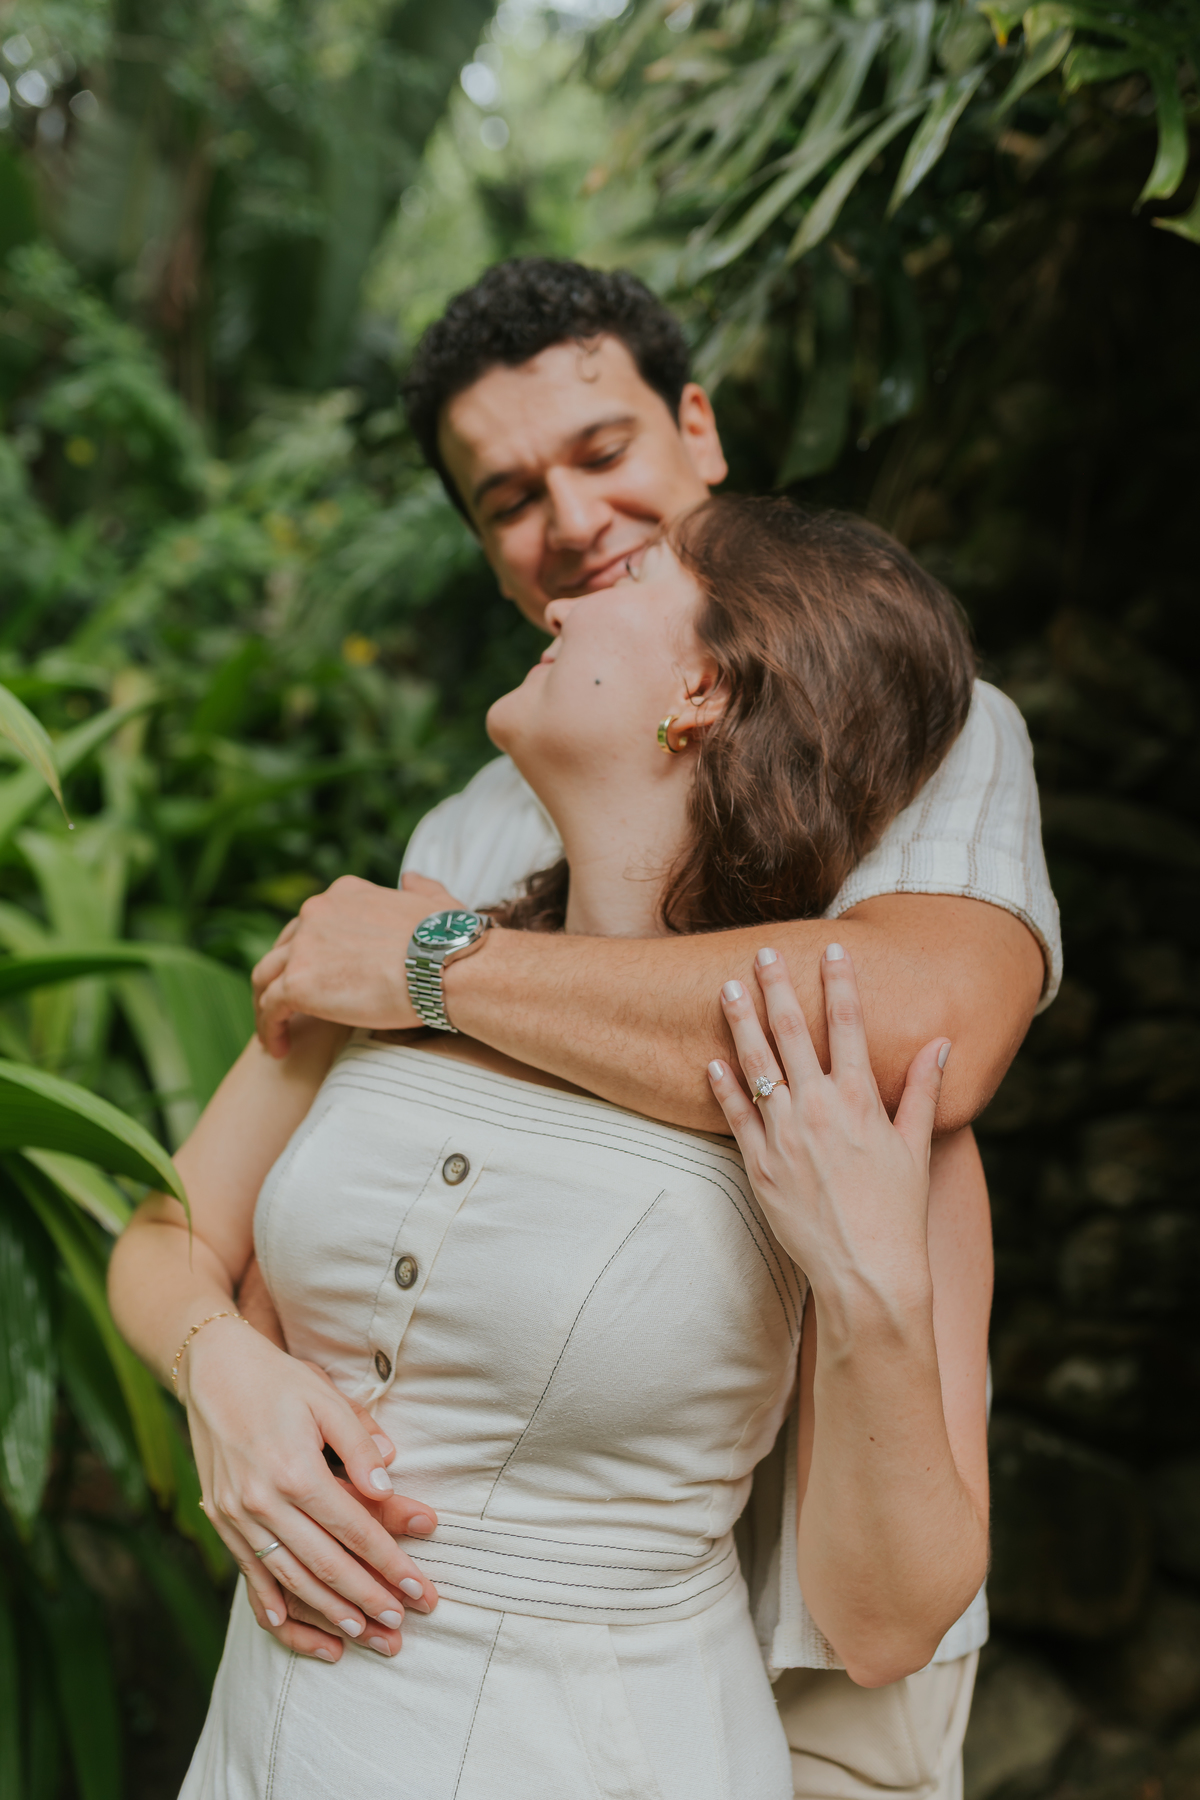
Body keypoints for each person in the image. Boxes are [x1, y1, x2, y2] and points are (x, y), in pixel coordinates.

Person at [237, 261, 1057, 1798]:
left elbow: (909, 1026)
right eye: (507, 497)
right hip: (454, 1621)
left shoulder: (923, 727)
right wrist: (228, 1369)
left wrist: (433, 968)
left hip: (824, 1608)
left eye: (602, 452)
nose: (569, 520)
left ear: (699, 426)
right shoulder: (479, 818)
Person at [111, 497, 993, 1799]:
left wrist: (868, 1283)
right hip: (266, 1739)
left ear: (698, 691)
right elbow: (165, 1235)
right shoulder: (390, 959)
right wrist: (223, 1377)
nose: (564, 596)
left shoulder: (850, 1100)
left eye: (628, 580)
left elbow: (883, 1627)